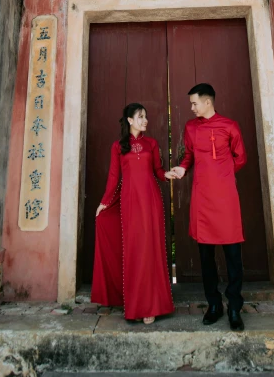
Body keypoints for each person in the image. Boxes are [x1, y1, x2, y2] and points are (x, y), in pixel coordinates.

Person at [169, 83, 247, 331]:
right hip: (202, 199)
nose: (191, 108)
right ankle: (214, 304)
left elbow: (241, 158)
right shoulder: (191, 127)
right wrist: (182, 167)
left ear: (208, 102)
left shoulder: (230, 126)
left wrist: (222, 176)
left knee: (233, 255)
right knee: (206, 256)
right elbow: (189, 155)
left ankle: (234, 306)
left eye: (194, 103)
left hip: (226, 198)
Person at [91, 103, 175, 324]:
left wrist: (167, 175)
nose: (144, 120)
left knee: (150, 250)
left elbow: (157, 171)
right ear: (129, 120)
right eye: (140, 116)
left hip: (150, 201)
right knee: (134, 251)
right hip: (129, 203)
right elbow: (113, 177)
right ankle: (135, 305)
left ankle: (151, 306)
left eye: (145, 116)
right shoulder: (118, 147)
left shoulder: (152, 144)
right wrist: (104, 203)